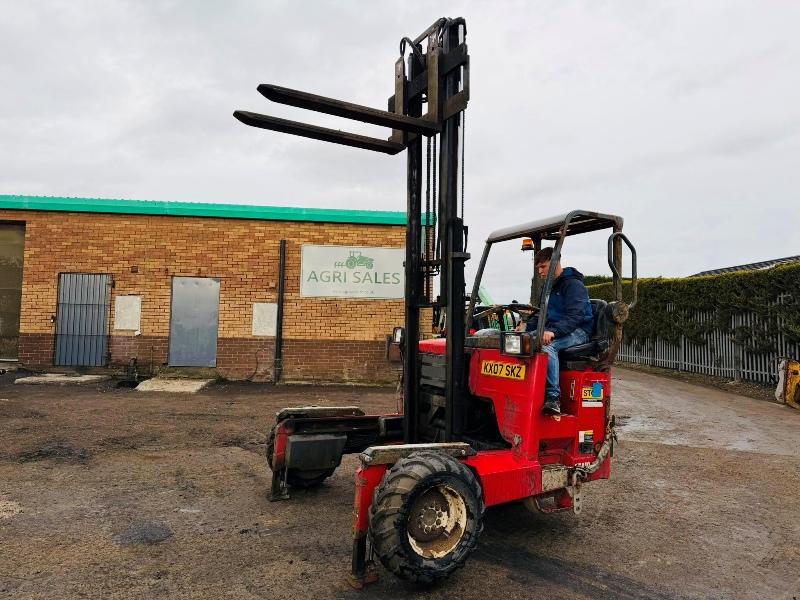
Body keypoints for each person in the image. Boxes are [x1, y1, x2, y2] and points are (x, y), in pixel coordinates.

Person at [526, 247, 593, 415]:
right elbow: (541, 314)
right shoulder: (548, 288)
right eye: (538, 268)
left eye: (543, 266)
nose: (540, 271)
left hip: (579, 330)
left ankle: (553, 398)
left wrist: (553, 332)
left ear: (555, 263)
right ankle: (529, 389)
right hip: (556, 329)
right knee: (522, 341)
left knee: (547, 346)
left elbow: (575, 317)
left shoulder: (573, 285)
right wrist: (526, 331)